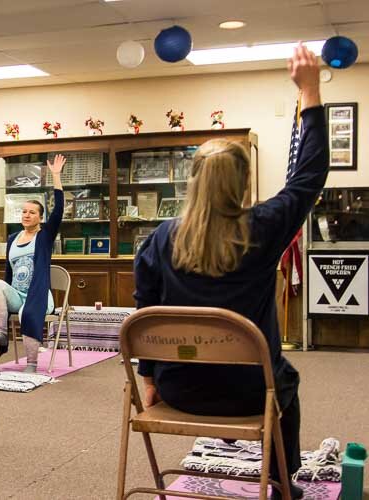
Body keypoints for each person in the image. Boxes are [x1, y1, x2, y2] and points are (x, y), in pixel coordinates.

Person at [133, 44, 326, 500]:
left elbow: (144, 310)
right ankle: (284, 481)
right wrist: (311, 91)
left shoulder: (161, 237)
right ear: (243, 182)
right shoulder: (262, 228)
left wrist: (148, 380)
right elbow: (308, 177)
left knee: (279, 376)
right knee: (288, 381)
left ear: (192, 180)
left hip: (179, 388)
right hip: (249, 393)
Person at [0, 154, 66, 372]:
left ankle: (31, 363)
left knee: (26, 312)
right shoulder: (13, 239)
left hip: (38, 296)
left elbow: (58, 211)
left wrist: (56, 176)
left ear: (40, 217)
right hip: (17, 295)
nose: (27, 215)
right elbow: (9, 276)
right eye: (24, 212)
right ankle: (2, 333)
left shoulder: (45, 236)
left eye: (32, 212)